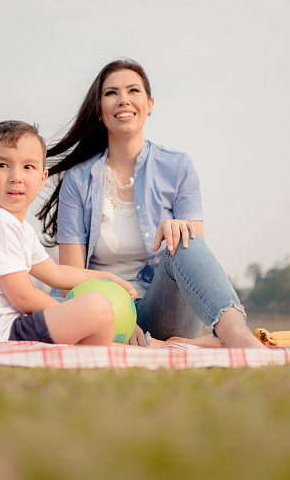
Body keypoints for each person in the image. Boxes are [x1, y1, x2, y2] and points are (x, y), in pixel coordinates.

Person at [37, 59, 266, 349]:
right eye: (111, 93)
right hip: (103, 312)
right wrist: (118, 314)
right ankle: (171, 345)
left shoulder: (178, 166)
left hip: (164, 308)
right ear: (98, 110)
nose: (123, 100)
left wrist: (176, 227)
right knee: (94, 320)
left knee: (184, 236)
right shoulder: (77, 180)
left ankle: (237, 334)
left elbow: (194, 255)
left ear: (149, 104)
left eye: (133, 90)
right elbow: (69, 276)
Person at [0, 121, 137, 345]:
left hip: (4, 329)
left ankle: (93, 350)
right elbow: (23, 296)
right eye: (2, 165)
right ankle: (95, 357)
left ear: (42, 178)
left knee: (96, 308)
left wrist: (108, 277)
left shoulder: (17, 226)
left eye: (28, 167)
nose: (15, 177)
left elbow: (55, 274)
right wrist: (71, 314)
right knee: (96, 308)